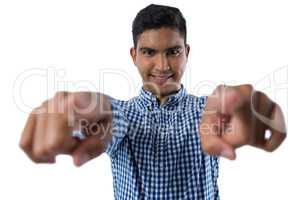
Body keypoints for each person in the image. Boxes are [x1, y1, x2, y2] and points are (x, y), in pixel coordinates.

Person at [19, 4, 286, 200]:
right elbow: (107, 122)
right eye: (149, 52)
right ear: (134, 55)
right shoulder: (120, 115)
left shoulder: (212, 112)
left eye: (173, 52)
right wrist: (76, 121)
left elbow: (227, 114)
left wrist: (250, 112)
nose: (162, 65)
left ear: (186, 52)